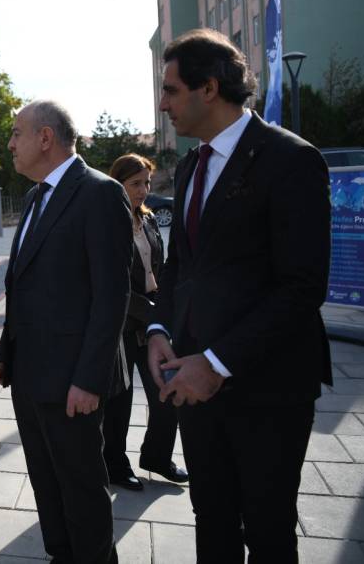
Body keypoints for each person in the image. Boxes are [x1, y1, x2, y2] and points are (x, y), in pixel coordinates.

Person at [148, 28, 332, 562]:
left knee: (269, 530)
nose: (163, 104)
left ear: (209, 89)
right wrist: (161, 330)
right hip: (195, 388)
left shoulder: (290, 159)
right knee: (214, 519)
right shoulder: (189, 167)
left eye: (171, 90)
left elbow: (302, 287)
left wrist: (217, 362)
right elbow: (181, 266)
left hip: (269, 388)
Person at [0, 100, 132, 564]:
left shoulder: (100, 193)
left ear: (45, 138)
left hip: (74, 381)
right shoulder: (35, 196)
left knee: (82, 490)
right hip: (31, 376)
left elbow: (112, 296)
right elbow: (21, 282)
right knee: (47, 484)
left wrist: (89, 379)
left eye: (16, 133)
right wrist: (4, 351)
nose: (10, 143)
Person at [102, 154, 187, 492]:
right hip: (123, 324)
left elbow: (162, 267)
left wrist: (165, 308)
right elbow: (113, 283)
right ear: (118, 183)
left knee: (167, 395)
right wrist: (152, 311)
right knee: (119, 404)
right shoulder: (108, 223)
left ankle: (156, 457)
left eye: (147, 183)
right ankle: (115, 466)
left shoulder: (149, 220)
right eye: (136, 183)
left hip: (152, 323)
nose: (144, 190)